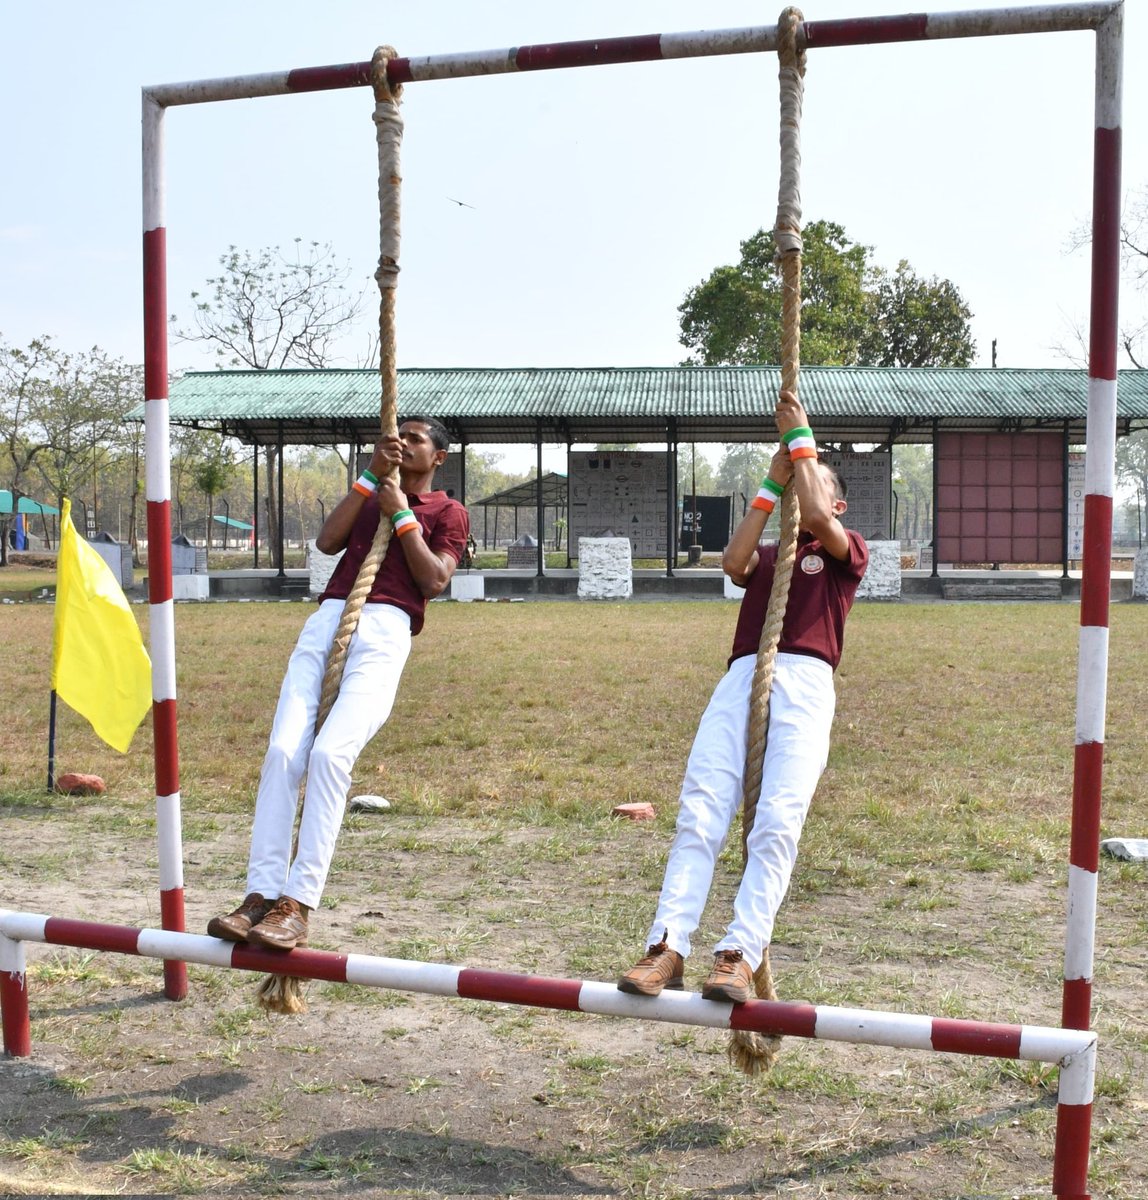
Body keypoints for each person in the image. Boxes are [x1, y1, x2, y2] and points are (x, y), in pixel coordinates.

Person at [618, 390, 868, 1003]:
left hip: (806, 680)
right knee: (700, 811)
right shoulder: (767, 554)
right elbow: (731, 562)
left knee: (777, 823)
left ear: (835, 501)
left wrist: (802, 440)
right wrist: (770, 480)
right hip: (742, 676)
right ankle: (668, 946)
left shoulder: (842, 549)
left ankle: (739, 952)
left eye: (811, 483)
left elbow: (813, 515)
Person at [208, 416, 469, 951]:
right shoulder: (369, 491)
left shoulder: (448, 510)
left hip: (386, 627)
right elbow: (329, 541)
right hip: (330, 617)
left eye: (416, 439)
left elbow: (434, 580)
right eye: (399, 437)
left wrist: (400, 513)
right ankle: (258, 894)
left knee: (329, 756)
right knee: (282, 751)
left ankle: (297, 904)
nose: (403, 444)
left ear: (439, 456)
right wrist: (370, 479)